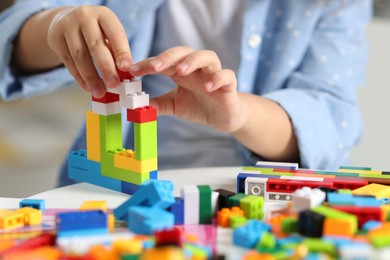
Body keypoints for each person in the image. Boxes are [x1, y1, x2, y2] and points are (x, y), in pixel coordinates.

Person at [0, 0, 371, 187]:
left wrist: (238, 114)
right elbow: (13, 40)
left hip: (248, 194)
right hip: (117, 186)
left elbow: (329, 118)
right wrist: (57, 24)